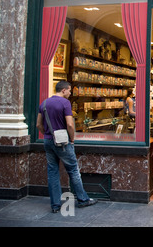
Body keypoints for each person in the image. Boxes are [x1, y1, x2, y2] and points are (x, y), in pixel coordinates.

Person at [36, 81, 97, 213]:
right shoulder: (65, 103)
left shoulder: (44, 103)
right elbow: (70, 124)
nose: (70, 93)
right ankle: (83, 199)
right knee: (73, 170)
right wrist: (72, 139)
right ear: (63, 90)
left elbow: (38, 125)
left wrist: (48, 134)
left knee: (52, 172)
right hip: (63, 142)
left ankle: (55, 205)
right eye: (69, 90)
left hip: (48, 141)